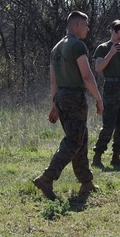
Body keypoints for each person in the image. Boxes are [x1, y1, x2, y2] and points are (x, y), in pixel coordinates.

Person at [33, 11, 104, 200]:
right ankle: (47, 177)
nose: (88, 29)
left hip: (61, 97)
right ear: (77, 25)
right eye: (86, 25)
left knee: (81, 138)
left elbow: (53, 81)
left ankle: (86, 182)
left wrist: (54, 105)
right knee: (74, 140)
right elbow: (87, 76)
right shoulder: (78, 46)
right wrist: (98, 98)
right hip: (74, 97)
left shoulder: (56, 48)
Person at [92, 20, 120, 169]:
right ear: (111, 31)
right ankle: (97, 156)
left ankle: (116, 157)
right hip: (110, 86)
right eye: (118, 33)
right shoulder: (103, 48)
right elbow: (98, 68)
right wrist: (111, 54)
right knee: (109, 124)